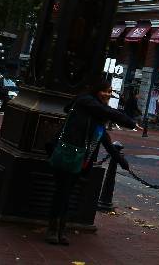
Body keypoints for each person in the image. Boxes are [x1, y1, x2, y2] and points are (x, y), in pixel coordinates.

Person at [45, 79, 135, 245]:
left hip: (80, 159)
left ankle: (60, 229)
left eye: (110, 91)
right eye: (105, 91)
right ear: (95, 90)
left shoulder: (97, 113)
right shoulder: (85, 101)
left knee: (67, 193)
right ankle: (53, 229)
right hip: (67, 153)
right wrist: (130, 122)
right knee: (62, 192)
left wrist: (120, 160)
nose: (107, 94)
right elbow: (109, 112)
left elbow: (105, 139)